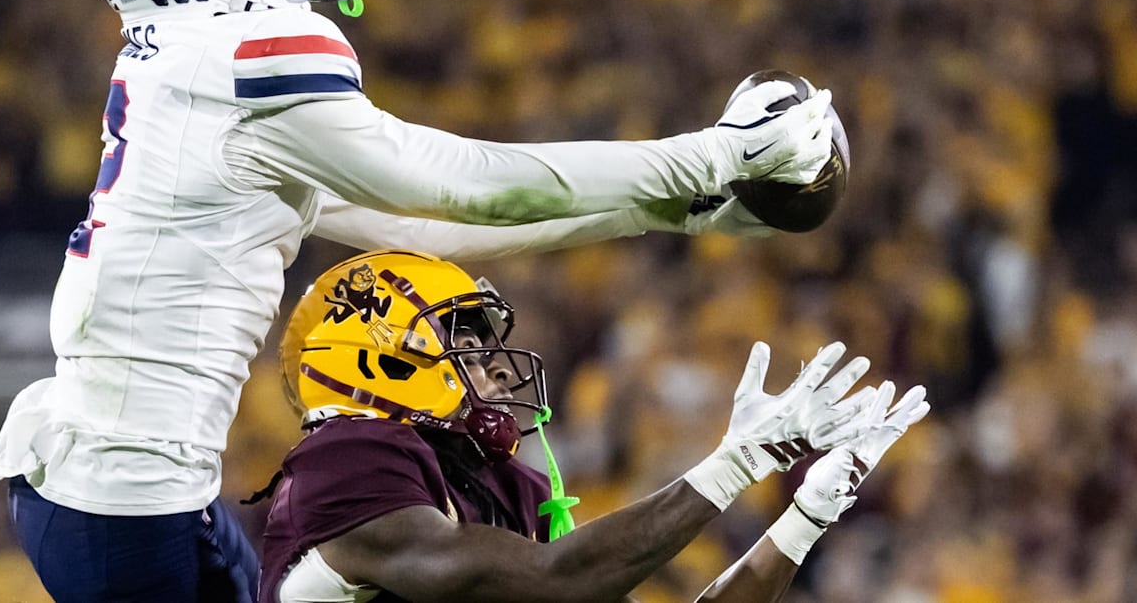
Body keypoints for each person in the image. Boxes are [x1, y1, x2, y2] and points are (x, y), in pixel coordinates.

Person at [0, 0, 837, 603]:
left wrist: (683, 214)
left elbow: (430, 231)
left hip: (118, 485)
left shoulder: (188, 69)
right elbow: (465, 186)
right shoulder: (237, 59)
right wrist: (718, 154)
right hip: (127, 504)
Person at [261, 250, 929, 603]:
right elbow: (547, 579)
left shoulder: (510, 490)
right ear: (377, 356)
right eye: (467, 349)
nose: (495, 373)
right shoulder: (347, 458)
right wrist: (736, 462)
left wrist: (803, 519)